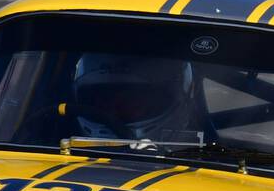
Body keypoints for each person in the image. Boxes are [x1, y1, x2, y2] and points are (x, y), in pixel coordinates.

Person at [70, 53, 198, 140]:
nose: (110, 116)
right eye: (99, 103)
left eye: (129, 103)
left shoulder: (207, 163)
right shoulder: (53, 144)